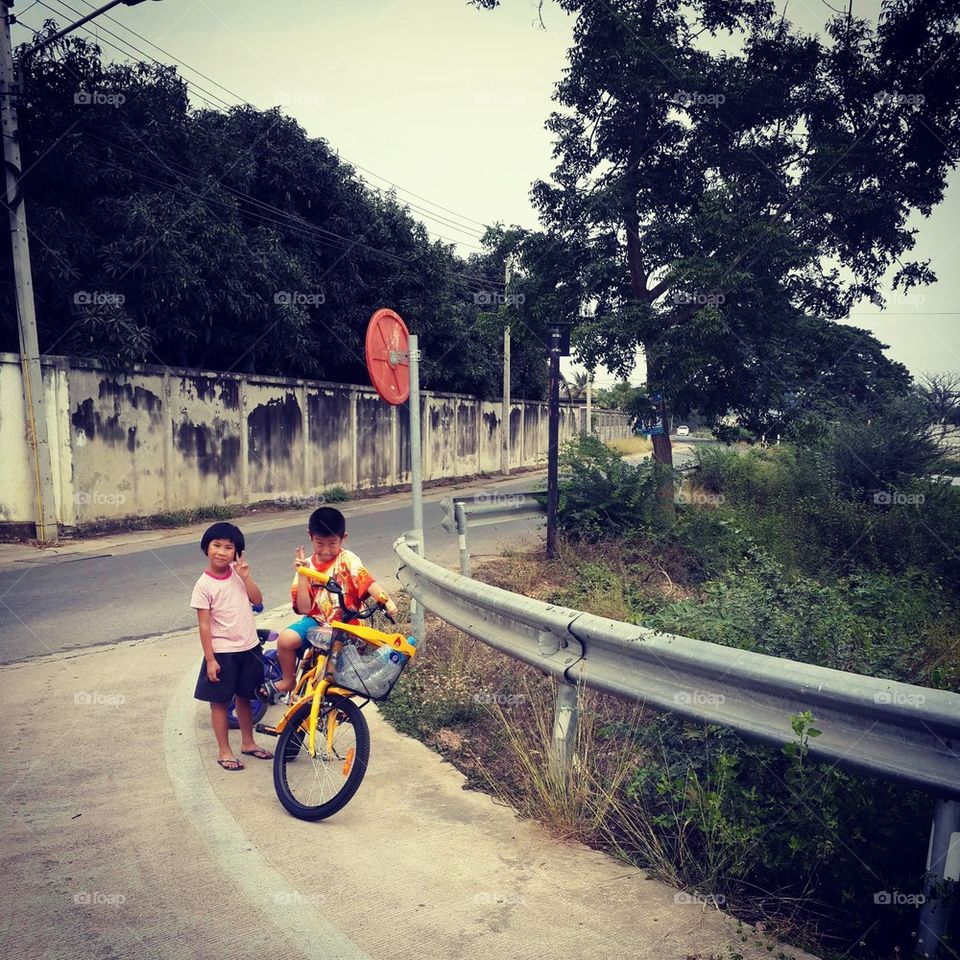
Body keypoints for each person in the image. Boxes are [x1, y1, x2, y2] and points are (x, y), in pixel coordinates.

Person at [259, 506, 399, 699]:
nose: (325, 550)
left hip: (347, 626)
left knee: (344, 679)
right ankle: (288, 680)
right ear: (310, 536)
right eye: (319, 543)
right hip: (316, 621)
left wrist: (386, 601)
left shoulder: (348, 560)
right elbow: (304, 608)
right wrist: (302, 575)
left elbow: (368, 582)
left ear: (344, 538)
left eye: (332, 544)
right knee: (285, 640)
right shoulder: (306, 565)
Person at [190, 521, 273, 771]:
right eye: (216, 545)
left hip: (249, 649)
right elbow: (204, 626)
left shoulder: (239, 575)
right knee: (219, 702)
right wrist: (211, 659)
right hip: (223, 654)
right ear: (206, 548)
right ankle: (224, 750)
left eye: (228, 547)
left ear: (237, 553)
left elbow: (257, 600)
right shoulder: (203, 585)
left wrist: (246, 577)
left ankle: (248, 743)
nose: (221, 552)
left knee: (245, 698)